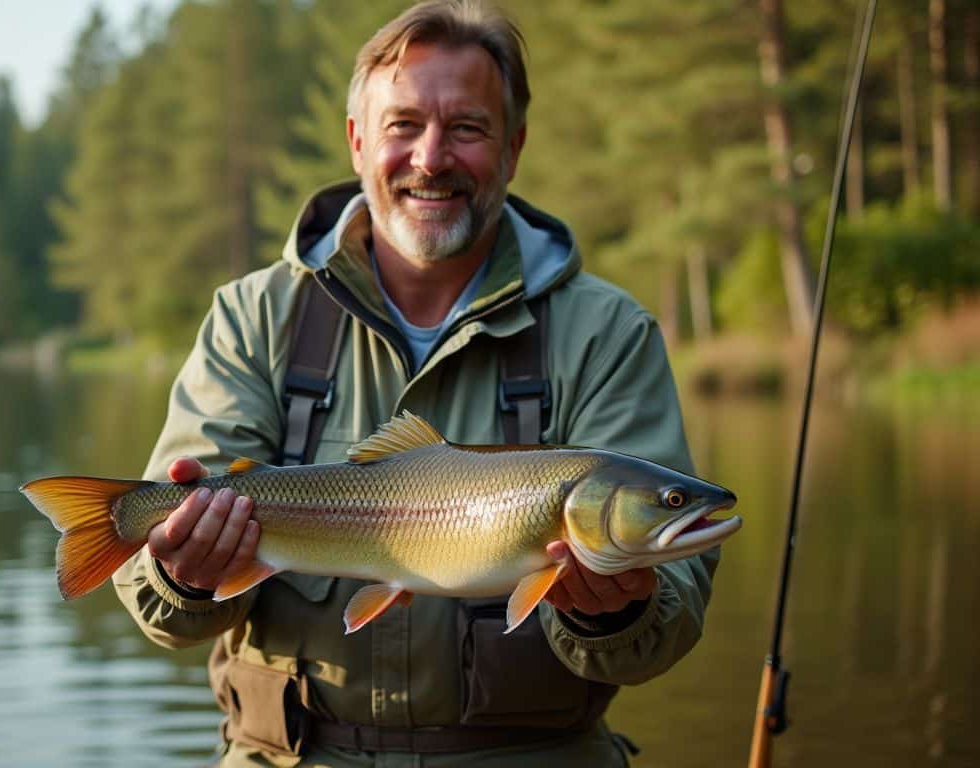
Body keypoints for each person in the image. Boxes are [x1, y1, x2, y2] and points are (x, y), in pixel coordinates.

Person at [113, 1, 719, 764]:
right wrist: (182, 573)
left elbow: (667, 625)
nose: (431, 158)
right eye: (403, 125)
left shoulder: (608, 334)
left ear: (514, 147)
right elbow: (160, 610)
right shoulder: (252, 317)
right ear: (358, 141)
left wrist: (613, 615)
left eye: (466, 127)